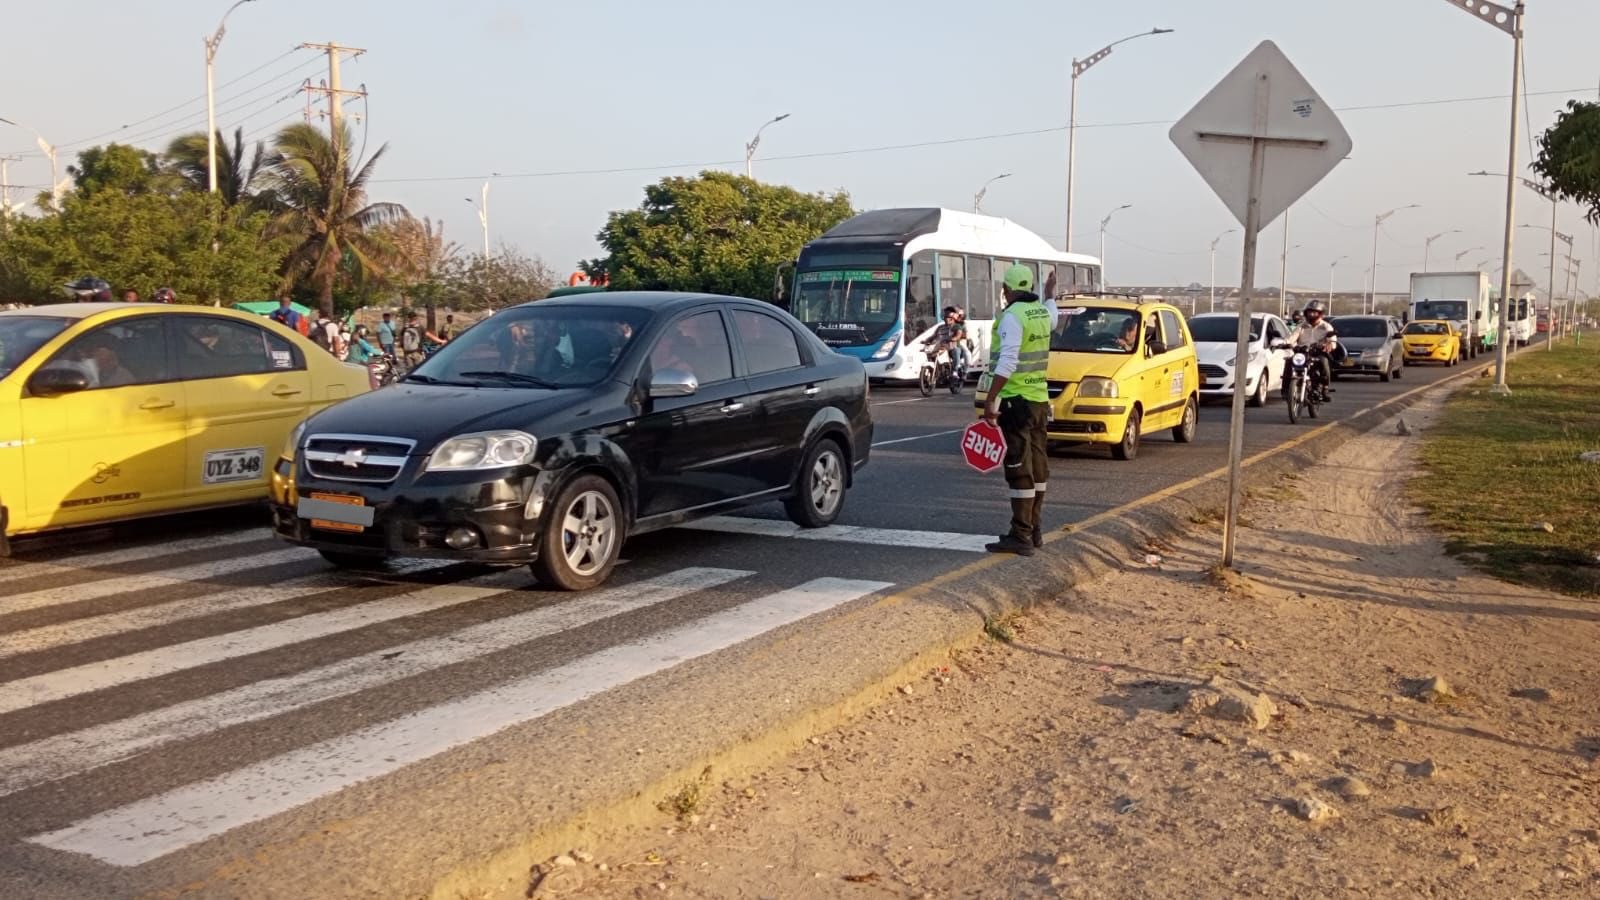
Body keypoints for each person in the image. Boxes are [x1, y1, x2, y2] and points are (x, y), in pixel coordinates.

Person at [980, 264, 1056, 556]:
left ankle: (1020, 533)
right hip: (1038, 399)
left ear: (1007, 290)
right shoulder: (1041, 313)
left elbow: (1008, 361)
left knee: (1018, 467)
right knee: (1038, 466)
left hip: (1016, 400)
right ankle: (1034, 529)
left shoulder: (1012, 317)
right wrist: (1050, 294)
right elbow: (1054, 315)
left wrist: (991, 399)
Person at [1285, 299, 1338, 402]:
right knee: (1289, 361)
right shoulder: (1301, 326)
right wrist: (1284, 343)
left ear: (1320, 314)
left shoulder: (1326, 327)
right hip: (1303, 353)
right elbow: (1291, 338)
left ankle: (1325, 388)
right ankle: (1286, 390)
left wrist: (1329, 344)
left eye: (1314, 312)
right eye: (1310, 312)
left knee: (1324, 362)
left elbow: (1332, 340)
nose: (1311, 315)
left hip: (1318, 353)